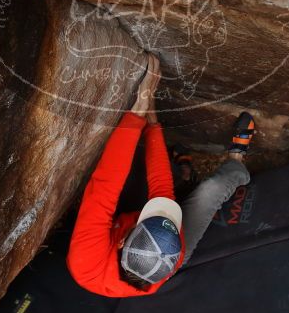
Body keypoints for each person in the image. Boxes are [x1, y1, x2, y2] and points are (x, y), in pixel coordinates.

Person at [67, 53, 255, 297]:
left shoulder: (87, 261)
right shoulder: (172, 256)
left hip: (109, 240)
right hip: (158, 246)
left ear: (123, 240)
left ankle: (184, 172)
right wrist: (153, 125)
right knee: (212, 191)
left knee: (133, 175)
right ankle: (236, 161)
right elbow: (162, 192)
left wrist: (139, 112)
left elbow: (105, 185)